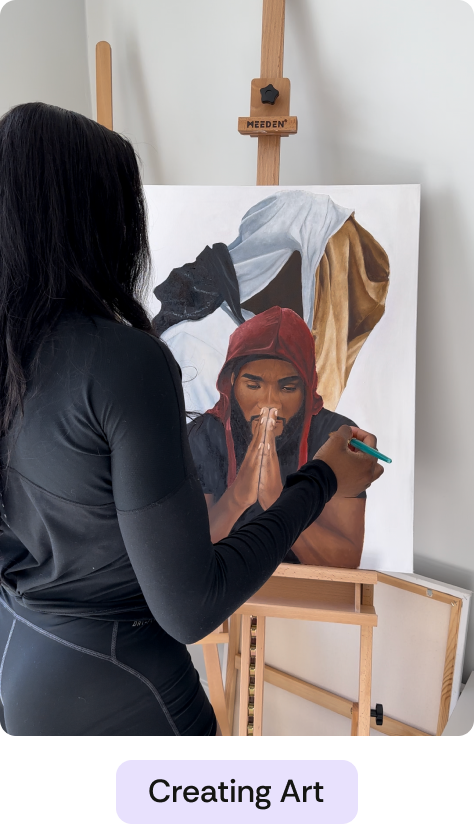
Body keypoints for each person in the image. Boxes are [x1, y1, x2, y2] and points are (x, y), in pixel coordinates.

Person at [0, 103, 383, 737]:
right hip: (129, 691)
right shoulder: (127, 363)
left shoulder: (20, 352)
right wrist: (319, 480)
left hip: (22, 664)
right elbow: (190, 607)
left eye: (287, 383)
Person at [153, 189, 390, 414]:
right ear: (284, 263)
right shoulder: (194, 345)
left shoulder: (279, 355)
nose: (333, 313)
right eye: (329, 281)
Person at [188, 307, 366, 568]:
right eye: (253, 385)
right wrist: (237, 498)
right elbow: (187, 557)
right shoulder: (204, 434)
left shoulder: (335, 437)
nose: (270, 403)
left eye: (288, 388)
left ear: (307, 387)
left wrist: (276, 500)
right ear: (232, 382)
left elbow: (346, 561)